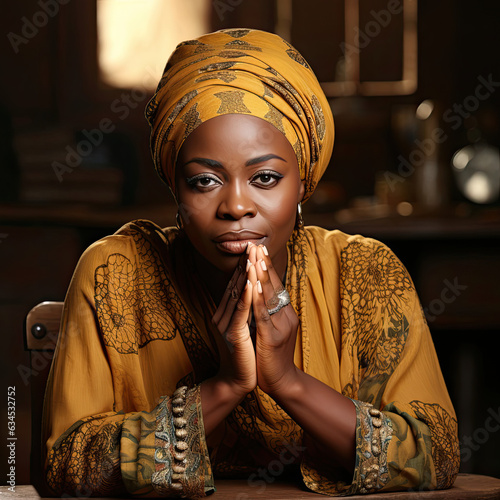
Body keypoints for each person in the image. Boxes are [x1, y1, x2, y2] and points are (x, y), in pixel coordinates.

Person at [42, 28, 460, 497]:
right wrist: (226, 385)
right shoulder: (114, 273)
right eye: (204, 181)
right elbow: (68, 468)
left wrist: (288, 382)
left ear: (303, 183)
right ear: (174, 189)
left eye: (264, 177)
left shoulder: (363, 271)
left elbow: (435, 452)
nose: (236, 206)